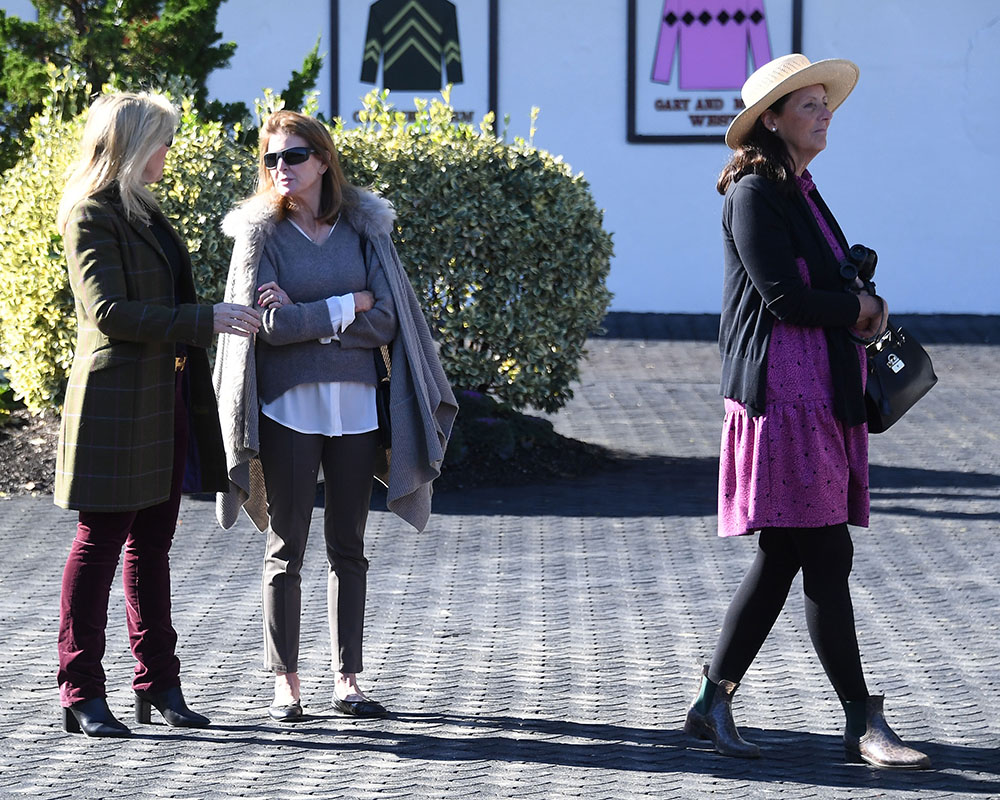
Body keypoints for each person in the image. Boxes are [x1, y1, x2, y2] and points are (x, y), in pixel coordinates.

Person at [683, 55, 931, 769]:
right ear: (771, 118)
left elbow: (815, 280)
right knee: (824, 552)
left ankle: (710, 702)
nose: (825, 114)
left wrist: (855, 285)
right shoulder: (756, 190)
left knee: (786, 554)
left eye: (827, 103)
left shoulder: (801, 188)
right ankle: (862, 722)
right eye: (810, 104)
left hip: (817, 391)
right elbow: (781, 298)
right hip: (785, 399)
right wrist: (859, 306)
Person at [214, 110, 457, 722]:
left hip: (355, 411)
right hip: (285, 409)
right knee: (284, 545)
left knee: (349, 546)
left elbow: (391, 320)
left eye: (292, 157)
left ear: (322, 160)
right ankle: (286, 682)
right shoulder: (260, 235)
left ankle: (348, 678)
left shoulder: (363, 230)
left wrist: (310, 318)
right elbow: (267, 325)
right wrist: (350, 305)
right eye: (270, 159)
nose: (280, 169)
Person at [54, 92, 262, 738]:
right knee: (100, 545)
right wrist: (206, 321)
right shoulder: (91, 215)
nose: (168, 152)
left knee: (153, 547)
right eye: (162, 141)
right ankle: (81, 689)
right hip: (116, 405)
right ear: (133, 145)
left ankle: (159, 684)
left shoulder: (143, 212)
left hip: (166, 399)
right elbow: (108, 313)